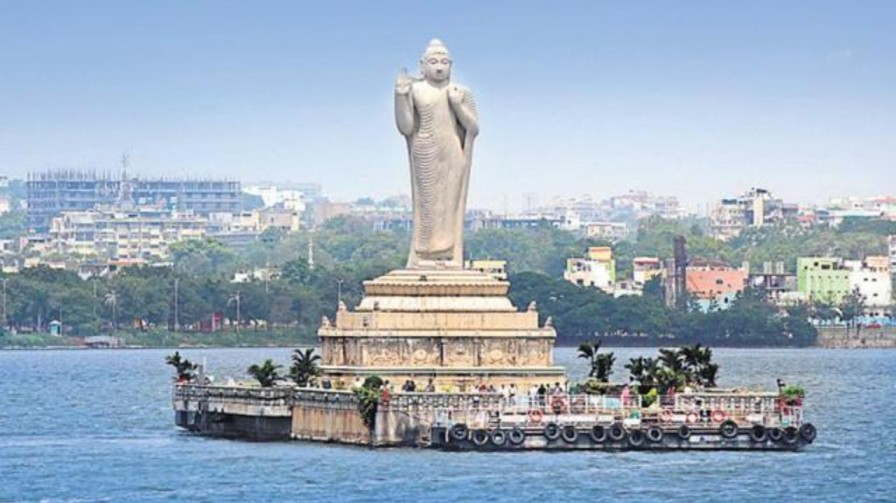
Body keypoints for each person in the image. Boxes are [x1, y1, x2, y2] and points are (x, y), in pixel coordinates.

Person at [395, 39, 479, 269]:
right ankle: (424, 254)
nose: (439, 67)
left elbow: (473, 128)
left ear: (451, 65)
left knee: (450, 204)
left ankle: (450, 254)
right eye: (433, 62)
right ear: (422, 66)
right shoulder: (415, 90)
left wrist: (457, 105)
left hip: (452, 150)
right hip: (424, 148)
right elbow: (406, 127)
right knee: (427, 205)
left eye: (444, 62)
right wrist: (401, 96)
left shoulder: (461, 92)